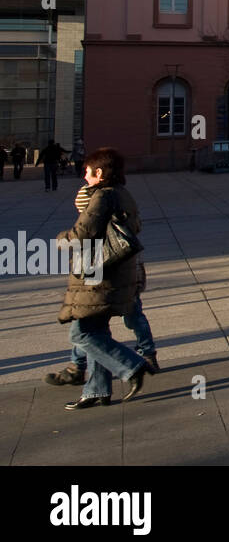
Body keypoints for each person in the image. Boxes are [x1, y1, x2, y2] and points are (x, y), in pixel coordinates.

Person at [54, 147, 153, 409]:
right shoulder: (124, 194)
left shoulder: (103, 196)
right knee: (96, 330)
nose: (84, 178)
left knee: (81, 333)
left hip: (99, 276)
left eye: (87, 172)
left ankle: (132, 366)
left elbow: (82, 234)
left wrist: (60, 239)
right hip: (116, 273)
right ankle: (96, 390)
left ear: (99, 172)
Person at [45, 180, 160, 387]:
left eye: (84, 210)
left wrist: (64, 239)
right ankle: (82, 372)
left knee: (98, 326)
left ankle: (143, 356)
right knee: (90, 326)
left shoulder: (108, 227)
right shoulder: (105, 218)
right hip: (109, 282)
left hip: (117, 283)